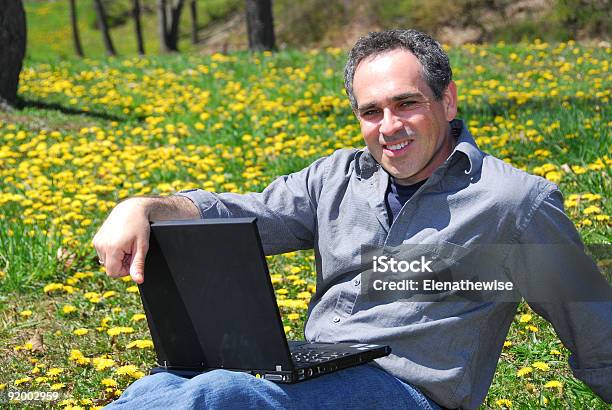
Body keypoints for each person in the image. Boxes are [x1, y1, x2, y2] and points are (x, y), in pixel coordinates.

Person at [93, 29, 612, 409]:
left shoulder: (515, 202)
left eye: (406, 104)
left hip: (409, 392)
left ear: (448, 100)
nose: (389, 127)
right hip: (316, 373)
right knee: (163, 385)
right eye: (371, 112)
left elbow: (594, 327)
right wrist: (144, 207)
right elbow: (247, 211)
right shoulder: (336, 178)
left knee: (223, 396)